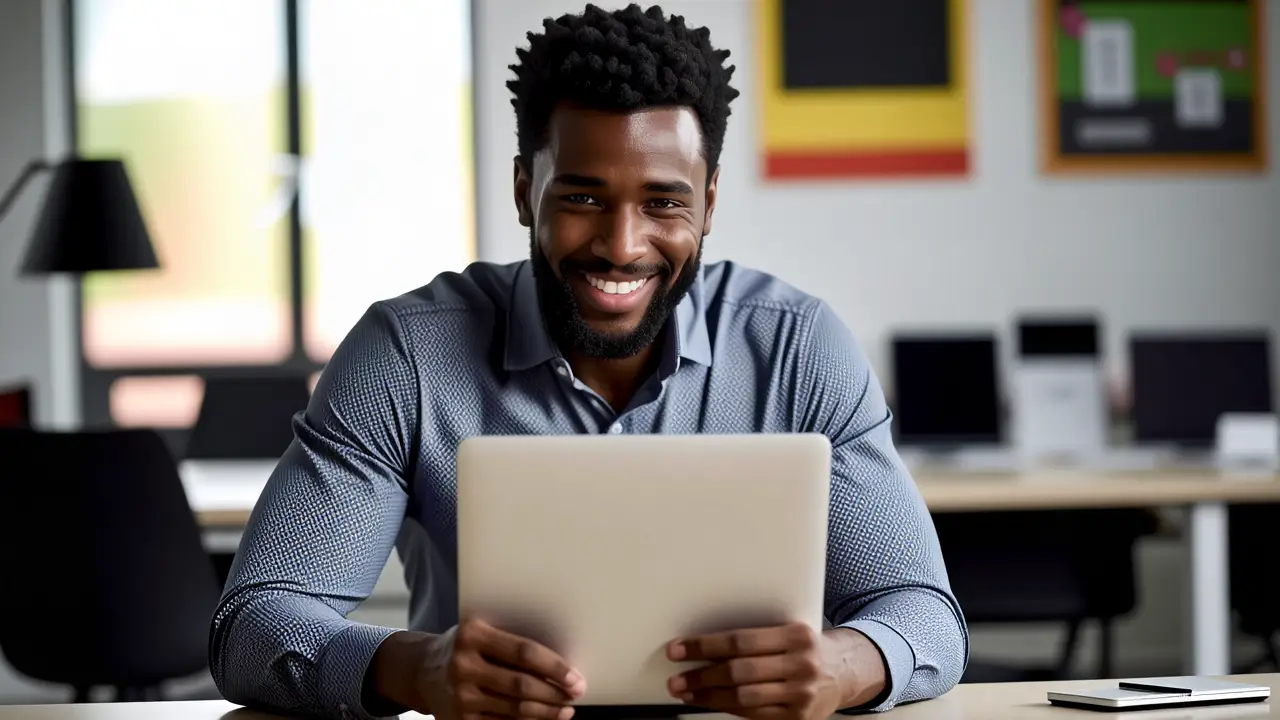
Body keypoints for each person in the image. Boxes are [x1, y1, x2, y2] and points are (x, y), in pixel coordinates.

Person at [209, 4, 968, 719]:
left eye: (664, 204)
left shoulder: (797, 348)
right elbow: (251, 625)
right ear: (522, 191)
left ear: (708, 203)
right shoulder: (408, 354)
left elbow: (924, 614)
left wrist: (847, 662)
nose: (623, 245)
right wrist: (415, 668)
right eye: (582, 198)